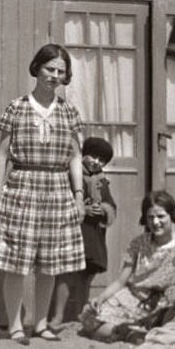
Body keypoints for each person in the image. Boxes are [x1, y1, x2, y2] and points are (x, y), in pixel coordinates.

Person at [0, 43, 86, 345]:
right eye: (49, 69)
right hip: (22, 187)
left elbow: (75, 157)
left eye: (60, 72)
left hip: (57, 190)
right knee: (17, 261)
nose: (54, 76)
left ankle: (40, 323)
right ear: (37, 69)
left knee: (50, 263)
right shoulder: (17, 107)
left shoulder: (69, 112)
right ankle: (15, 325)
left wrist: (78, 195)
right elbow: (2, 156)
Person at [80, 190, 175, 342]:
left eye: (161, 216)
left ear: (172, 215)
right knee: (89, 318)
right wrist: (101, 298)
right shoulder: (138, 244)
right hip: (133, 297)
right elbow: (121, 281)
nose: (155, 222)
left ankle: (131, 330)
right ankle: (130, 331)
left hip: (163, 303)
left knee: (104, 331)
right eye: (150, 217)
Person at [49, 136, 117, 328]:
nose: (96, 162)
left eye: (102, 160)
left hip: (93, 234)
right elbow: (59, 200)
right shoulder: (71, 175)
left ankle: (78, 314)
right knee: (66, 273)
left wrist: (102, 209)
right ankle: (58, 316)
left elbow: (111, 205)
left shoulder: (102, 182)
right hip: (73, 231)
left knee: (86, 275)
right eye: (93, 156)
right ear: (82, 155)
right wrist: (82, 209)